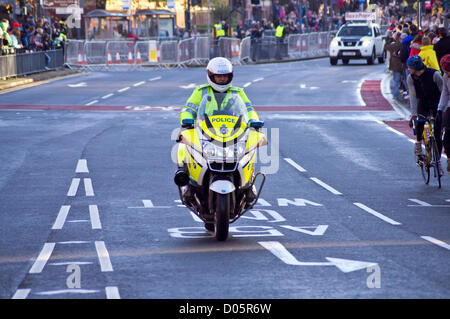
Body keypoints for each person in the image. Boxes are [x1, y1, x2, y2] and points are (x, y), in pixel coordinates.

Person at [179, 57, 259, 125]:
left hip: (234, 133)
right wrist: (187, 120)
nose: (222, 78)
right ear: (211, 75)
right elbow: (188, 110)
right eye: (218, 76)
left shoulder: (237, 92)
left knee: (257, 139)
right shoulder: (201, 91)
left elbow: (249, 110)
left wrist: (253, 120)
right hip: (204, 134)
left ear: (230, 76)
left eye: (225, 75)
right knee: (184, 141)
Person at [407, 55, 444, 175]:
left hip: (436, 103)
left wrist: (442, 109)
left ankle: (438, 162)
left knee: (437, 134)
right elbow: (412, 96)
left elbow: (443, 91)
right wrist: (413, 114)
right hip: (422, 103)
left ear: (415, 67)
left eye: (409, 67)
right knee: (419, 121)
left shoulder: (434, 75)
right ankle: (418, 144)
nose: (408, 69)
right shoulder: (411, 78)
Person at [437, 54, 450, 173]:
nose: (446, 73)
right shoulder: (445, 76)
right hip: (449, 107)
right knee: (446, 133)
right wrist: (440, 109)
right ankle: (449, 158)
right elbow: (445, 93)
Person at [385, 32, 403, 101]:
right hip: (402, 64)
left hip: (396, 65)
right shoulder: (401, 45)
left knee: (396, 80)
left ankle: (396, 95)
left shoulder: (395, 45)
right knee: (402, 80)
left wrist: (388, 41)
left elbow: (386, 47)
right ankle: (398, 93)